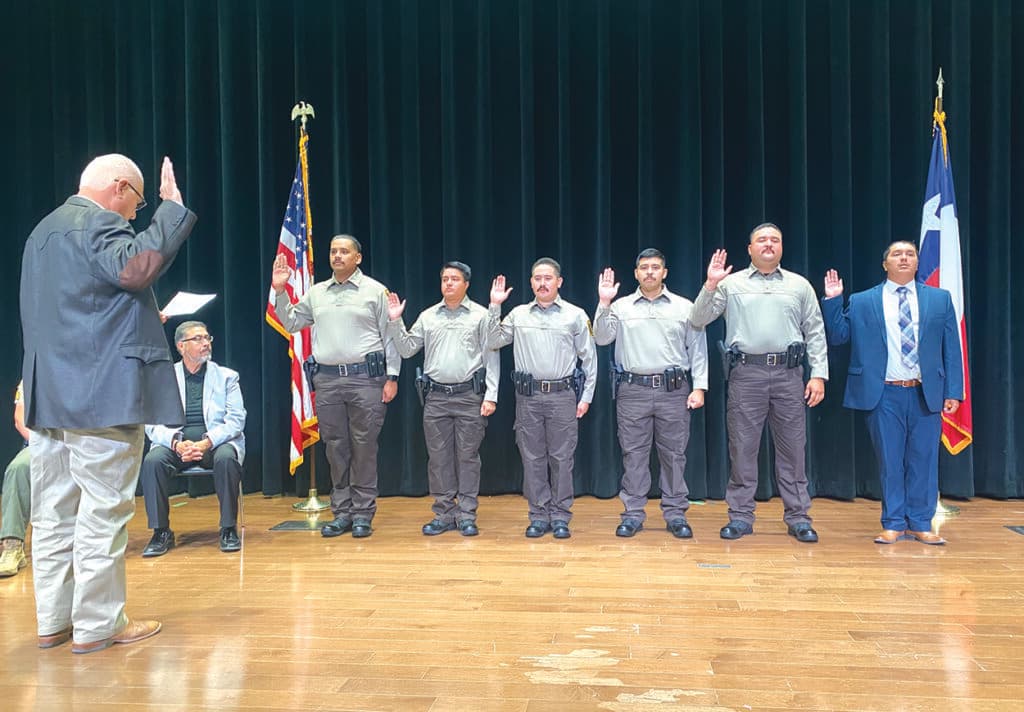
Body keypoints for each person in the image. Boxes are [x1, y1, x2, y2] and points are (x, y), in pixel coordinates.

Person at [20, 154, 195, 653]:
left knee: (53, 515)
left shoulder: (40, 233)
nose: (135, 214)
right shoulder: (97, 223)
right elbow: (135, 268)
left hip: (50, 396)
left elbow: (80, 308)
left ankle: (53, 620)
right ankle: (98, 624)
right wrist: (170, 210)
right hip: (100, 398)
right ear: (119, 188)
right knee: (102, 511)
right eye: (136, 204)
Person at [690, 222, 827, 543]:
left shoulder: (799, 285)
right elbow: (697, 319)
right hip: (746, 375)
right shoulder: (731, 284)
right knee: (742, 448)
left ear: (781, 247)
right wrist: (710, 284)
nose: (768, 244)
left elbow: (815, 330)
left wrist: (818, 374)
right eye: (762, 240)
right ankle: (740, 517)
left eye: (774, 240)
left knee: (793, 450)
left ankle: (798, 517)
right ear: (750, 249)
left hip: (789, 375)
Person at [822, 241, 963, 545]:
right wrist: (833, 300)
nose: (904, 258)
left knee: (924, 461)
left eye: (910, 254)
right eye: (897, 254)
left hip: (925, 392)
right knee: (890, 460)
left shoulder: (939, 299)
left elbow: (951, 347)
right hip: (884, 393)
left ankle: (921, 523)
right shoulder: (863, 301)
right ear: (885, 264)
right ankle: (894, 523)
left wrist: (954, 390)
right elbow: (839, 336)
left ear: (917, 263)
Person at [271, 235, 399, 539]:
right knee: (335, 448)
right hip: (327, 380)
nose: (337, 256)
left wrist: (392, 376)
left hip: (366, 379)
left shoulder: (375, 291)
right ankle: (342, 513)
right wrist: (280, 290)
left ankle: (363, 513)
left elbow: (390, 335)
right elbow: (291, 323)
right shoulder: (317, 293)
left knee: (364, 447)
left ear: (358, 258)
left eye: (344, 251)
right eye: (333, 251)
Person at [594, 249, 709, 538]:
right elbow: (602, 338)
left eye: (655, 267)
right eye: (644, 267)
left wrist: (699, 387)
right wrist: (604, 303)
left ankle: (675, 514)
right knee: (633, 455)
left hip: (674, 390)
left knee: (674, 455)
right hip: (633, 390)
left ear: (664, 272)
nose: (649, 272)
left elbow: (697, 348)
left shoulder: (684, 307)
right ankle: (633, 514)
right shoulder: (621, 307)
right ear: (636, 274)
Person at [386, 262, 499, 536]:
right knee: (438, 458)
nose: (448, 283)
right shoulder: (428, 316)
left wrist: (491, 395)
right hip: (436, 397)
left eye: (455, 279)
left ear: (466, 284)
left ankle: (467, 514)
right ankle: (444, 513)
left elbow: (491, 357)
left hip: (469, 396)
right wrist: (395, 320)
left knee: (468, 457)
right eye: (445, 278)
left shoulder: (481, 316)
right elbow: (407, 349)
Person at [487, 258, 597, 539]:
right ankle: (538, 515)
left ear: (559, 282)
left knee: (562, 459)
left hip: (562, 396)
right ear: (531, 282)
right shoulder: (519, 314)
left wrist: (586, 396)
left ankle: (560, 516)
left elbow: (589, 359)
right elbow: (493, 341)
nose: (542, 283)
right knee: (532, 458)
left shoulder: (574, 315)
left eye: (548, 278)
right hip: (529, 397)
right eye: (537, 278)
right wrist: (495, 306)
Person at [140, 321, 246, 556]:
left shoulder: (227, 377)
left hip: (215, 443)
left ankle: (228, 528)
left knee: (227, 458)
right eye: (198, 339)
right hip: (178, 444)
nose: (205, 343)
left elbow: (236, 420)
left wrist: (206, 442)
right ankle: (160, 532)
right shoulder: (164, 378)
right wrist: (176, 443)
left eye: (207, 338)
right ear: (181, 346)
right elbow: (152, 423)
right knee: (153, 461)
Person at [0, 382, 31, 578]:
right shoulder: (30, 376)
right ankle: (12, 545)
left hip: (84, 443)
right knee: (18, 468)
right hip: (42, 444)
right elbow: (20, 419)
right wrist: (42, 445)